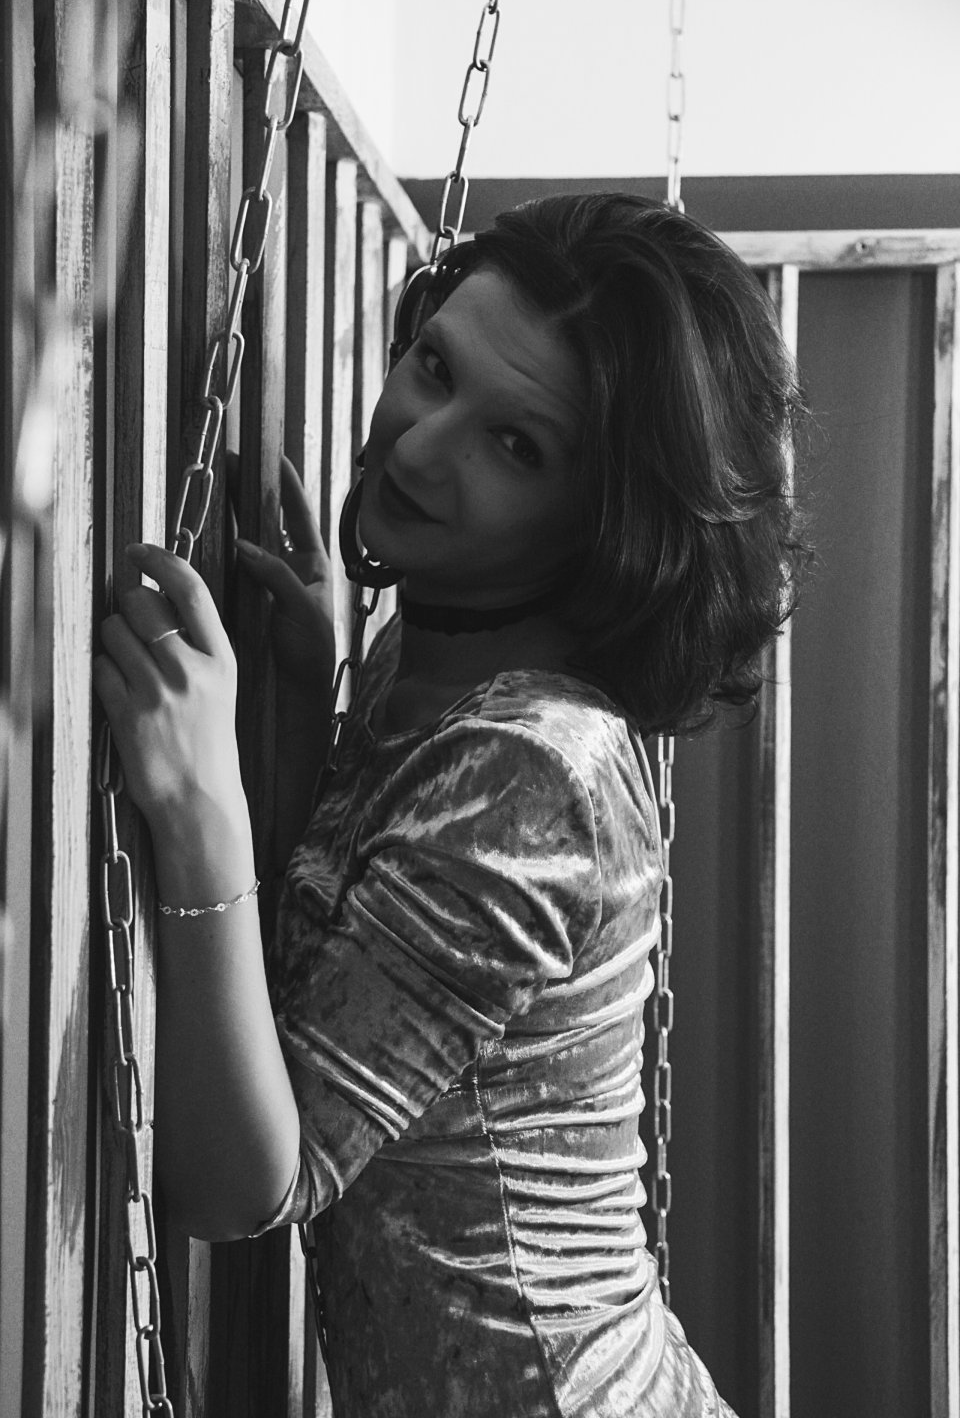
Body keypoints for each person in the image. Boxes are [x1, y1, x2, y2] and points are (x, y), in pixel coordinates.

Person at [94, 193, 807, 1417]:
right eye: (434, 366)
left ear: (605, 526)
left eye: (516, 445)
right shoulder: (435, 655)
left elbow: (240, 1186)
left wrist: (204, 803)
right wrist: (309, 703)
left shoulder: (541, 774)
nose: (420, 449)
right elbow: (347, 984)